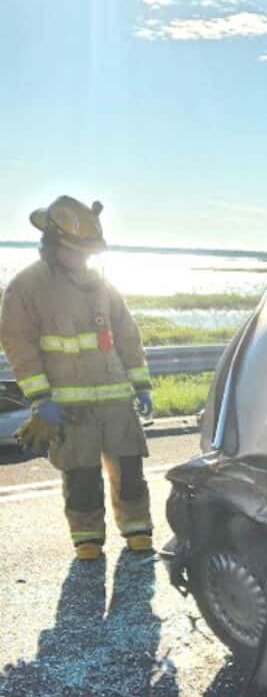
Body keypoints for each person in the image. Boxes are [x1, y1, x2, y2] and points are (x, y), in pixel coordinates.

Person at [0, 196, 154, 560]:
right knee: (81, 473)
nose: (82, 259)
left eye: (87, 253)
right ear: (52, 245)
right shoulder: (27, 287)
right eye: (75, 251)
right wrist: (40, 398)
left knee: (130, 468)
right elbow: (19, 346)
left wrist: (141, 384)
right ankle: (87, 538)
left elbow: (127, 335)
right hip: (67, 406)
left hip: (116, 400)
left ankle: (137, 529)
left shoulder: (101, 284)